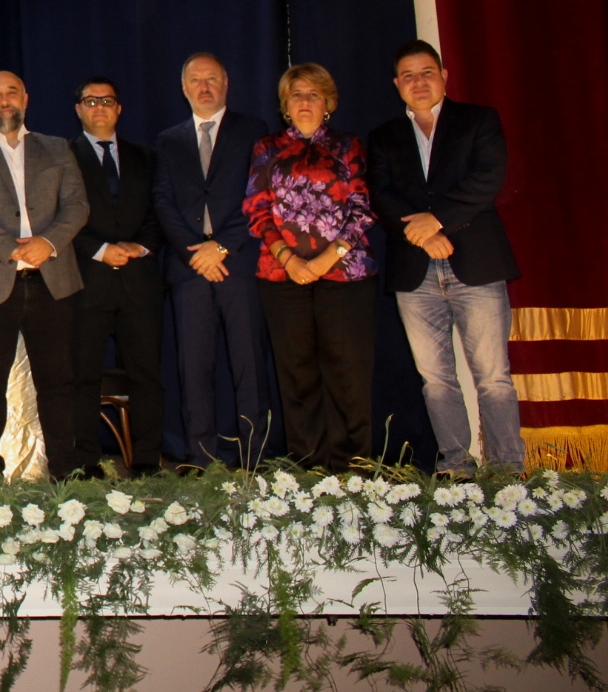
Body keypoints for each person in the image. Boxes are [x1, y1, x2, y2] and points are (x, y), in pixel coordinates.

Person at [367, 39, 523, 474]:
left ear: (444, 76)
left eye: (427, 73)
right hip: (414, 273)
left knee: (493, 376)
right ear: (397, 84)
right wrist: (424, 236)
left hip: (477, 264)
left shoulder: (479, 120)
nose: (419, 82)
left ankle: (508, 470)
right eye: (409, 76)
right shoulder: (383, 137)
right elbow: (381, 196)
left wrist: (436, 222)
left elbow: (487, 179)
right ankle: (457, 464)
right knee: (435, 379)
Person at [244, 63, 378, 473]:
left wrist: (324, 259)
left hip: (346, 275)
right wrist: (290, 260)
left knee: (348, 373)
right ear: (285, 105)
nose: (304, 102)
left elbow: (362, 209)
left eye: (313, 94)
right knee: (297, 376)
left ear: (328, 103)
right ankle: (309, 470)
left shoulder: (348, 145)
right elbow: (256, 210)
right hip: (282, 276)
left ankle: (355, 470)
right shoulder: (266, 147)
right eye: (296, 95)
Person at [0, 70, 88, 478]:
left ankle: (65, 472)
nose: (4, 100)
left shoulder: (58, 149)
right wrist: (13, 249)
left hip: (54, 280)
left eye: (11, 92)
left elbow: (77, 206)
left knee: (59, 382)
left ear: (26, 99)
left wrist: (47, 243)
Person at [152, 53, 271, 467]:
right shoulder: (169, 140)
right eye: (196, 80)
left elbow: (259, 195)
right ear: (184, 88)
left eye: (212, 79)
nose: (204, 87)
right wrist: (195, 251)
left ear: (226, 83)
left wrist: (220, 246)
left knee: (249, 366)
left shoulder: (253, 131)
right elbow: (163, 202)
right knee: (193, 369)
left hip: (237, 262)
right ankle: (199, 459)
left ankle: (255, 461)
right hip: (189, 269)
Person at [67, 77, 164, 475]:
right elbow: (59, 217)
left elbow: (160, 213)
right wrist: (101, 249)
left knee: (146, 375)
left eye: (107, 101)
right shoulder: (63, 157)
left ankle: (147, 462)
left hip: (139, 281)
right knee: (83, 376)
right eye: (91, 101)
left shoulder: (146, 157)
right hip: (87, 281)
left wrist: (140, 246)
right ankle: (86, 463)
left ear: (119, 109)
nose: (99, 107)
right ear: (78, 109)